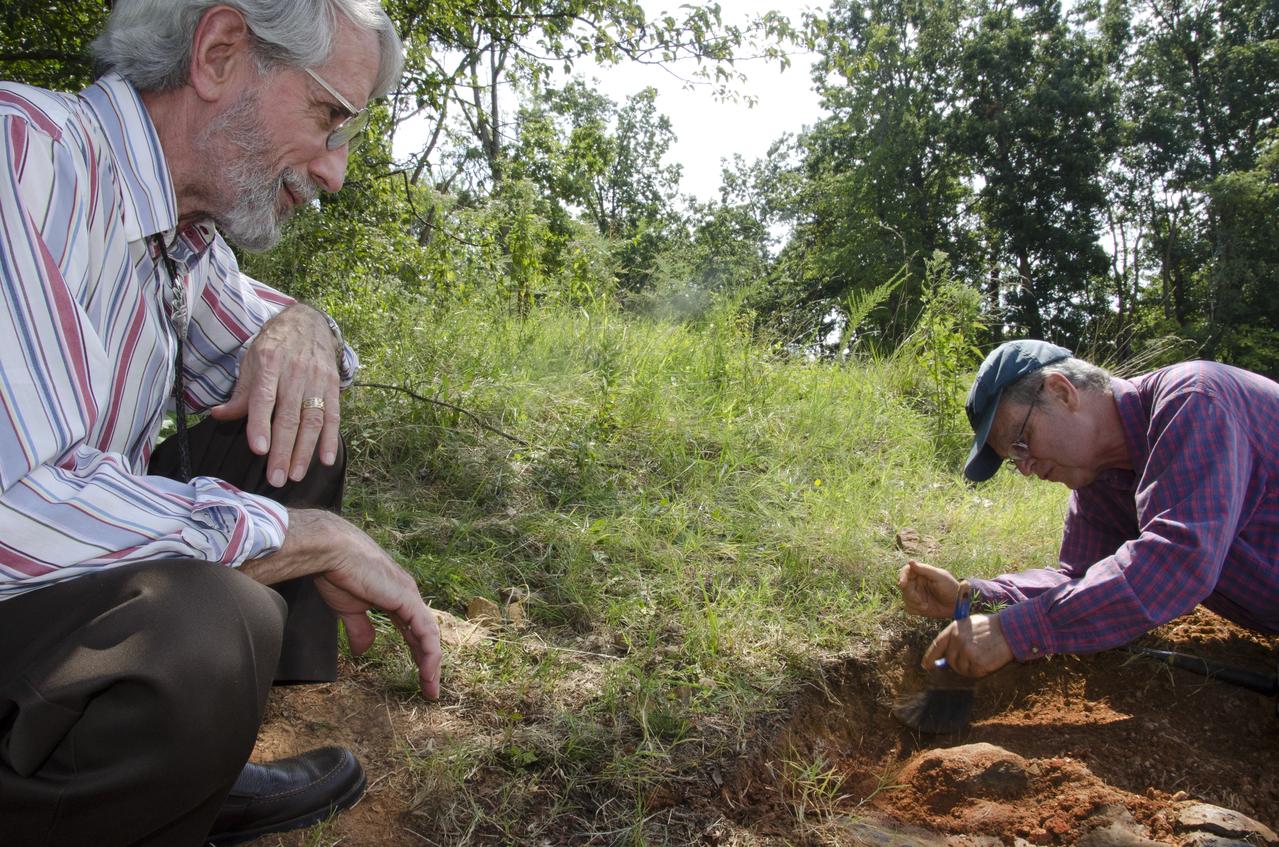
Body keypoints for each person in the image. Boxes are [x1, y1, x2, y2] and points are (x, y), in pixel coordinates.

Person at [0, 1, 442, 844]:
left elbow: (290, 358)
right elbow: (16, 506)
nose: (335, 170)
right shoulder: (22, 155)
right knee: (203, 625)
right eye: (328, 118)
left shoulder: (182, 242)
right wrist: (309, 536)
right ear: (220, 51)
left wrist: (304, 327)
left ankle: (182, 768)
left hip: (36, 596)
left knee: (293, 418)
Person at [898, 339, 1279, 680]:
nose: (1026, 469)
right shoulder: (1100, 479)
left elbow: (1178, 559)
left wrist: (1013, 633)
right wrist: (974, 597)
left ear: (1062, 392)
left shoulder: (1194, 400)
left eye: (1021, 442)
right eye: (1014, 460)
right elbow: (1079, 577)